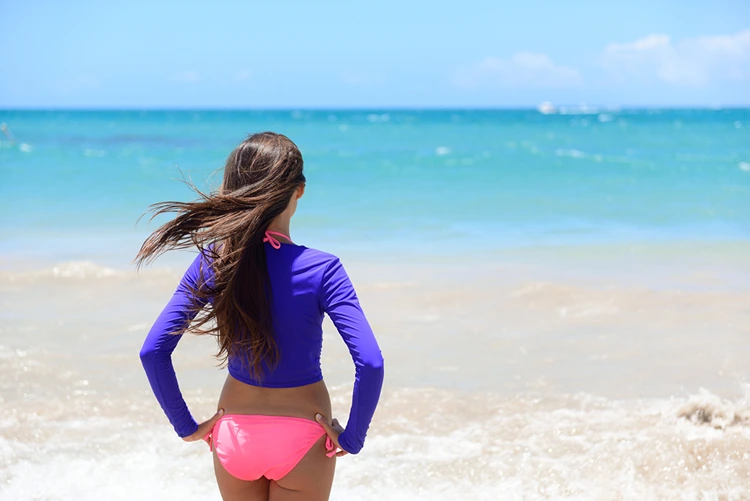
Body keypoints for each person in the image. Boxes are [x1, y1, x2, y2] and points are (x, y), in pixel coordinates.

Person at [135, 132, 385, 501]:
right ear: (298, 191)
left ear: (232, 190)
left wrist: (186, 427)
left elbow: (153, 351)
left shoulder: (214, 261)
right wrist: (353, 437)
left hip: (234, 434)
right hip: (305, 434)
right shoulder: (323, 268)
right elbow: (370, 362)